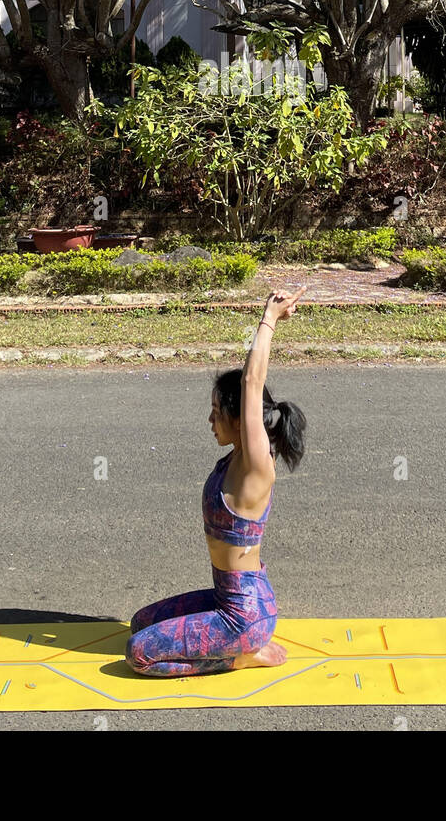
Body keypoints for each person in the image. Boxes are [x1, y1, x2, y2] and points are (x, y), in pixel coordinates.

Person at [125, 288, 308, 676]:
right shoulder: (234, 460)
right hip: (224, 598)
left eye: (215, 413)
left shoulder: (256, 465)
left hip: (244, 615)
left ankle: (239, 656)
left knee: (138, 653)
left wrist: (270, 320)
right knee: (141, 622)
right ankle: (236, 647)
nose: (210, 422)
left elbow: (252, 385)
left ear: (241, 419)